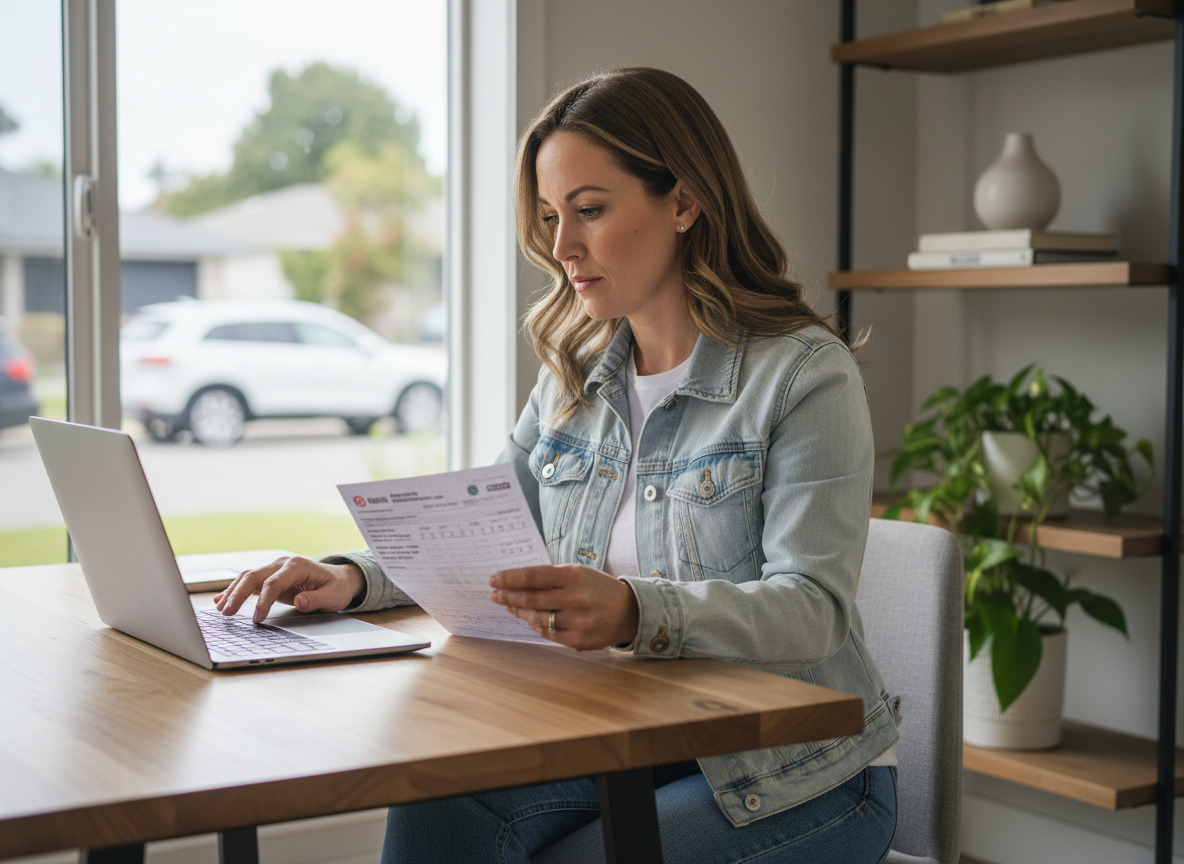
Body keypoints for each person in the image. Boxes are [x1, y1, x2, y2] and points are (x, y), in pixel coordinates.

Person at [215, 66, 899, 864]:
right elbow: (489, 537)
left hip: (795, 772)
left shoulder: (802, 375)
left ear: (683, 201)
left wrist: (638, 611)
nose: (561, 248)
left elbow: (812, 608)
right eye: (548, 216)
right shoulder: (575, 367)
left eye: (590, 211)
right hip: (624, 730)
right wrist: (352, 579)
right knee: (437, 808)